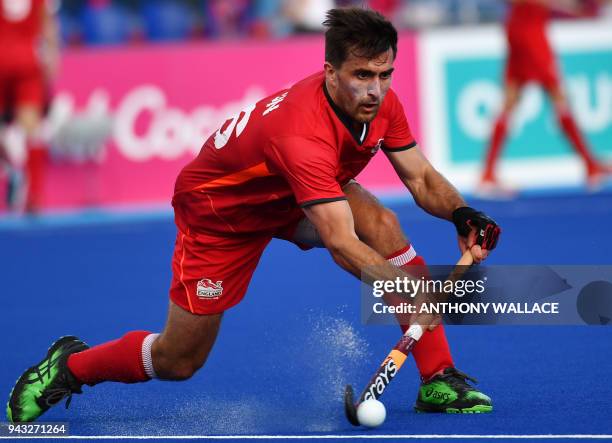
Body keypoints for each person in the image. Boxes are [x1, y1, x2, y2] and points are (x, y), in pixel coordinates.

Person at [7, 7, 501, 423]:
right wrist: (403, 290)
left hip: (292, 192)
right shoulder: (302, 135)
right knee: (179, 360)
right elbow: (340, 242)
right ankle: (70, 367)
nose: (374, 90)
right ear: (332, 73)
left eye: (384, 74)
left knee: (382, 224)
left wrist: (461, 213)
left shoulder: (383, 105)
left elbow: (421, 179)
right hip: (222, 215)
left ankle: (438, 380)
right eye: (362, 76)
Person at [480, 0, 610, 195]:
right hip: (530, 32)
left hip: (521, 27)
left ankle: (488, 173)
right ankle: (590, 165)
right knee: (557, 96)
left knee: (512, 99)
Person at [0, 0, 60, 213]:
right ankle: (15, 174)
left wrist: (52, 57)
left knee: (31, 129)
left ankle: (35, 194)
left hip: (27, 68)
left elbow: (47, 24)